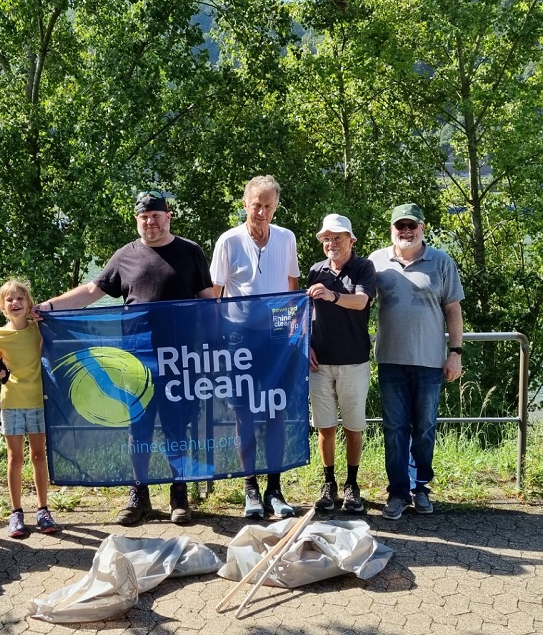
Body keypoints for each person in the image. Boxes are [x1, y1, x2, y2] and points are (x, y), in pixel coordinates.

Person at [34, 190, 215, 526]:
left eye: (156, 215)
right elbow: (91, 292)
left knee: (178, 427)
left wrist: (221, 340)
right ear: (137, 220)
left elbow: (209, 303)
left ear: (168, 216)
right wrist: (49, 307)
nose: (151, 222)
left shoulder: (191, 252)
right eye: (144, 217)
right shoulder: (125, 256)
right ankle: (139, 495)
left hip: (179, 360)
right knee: (138, 427)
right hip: (134, 363)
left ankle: (179, 495)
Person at [210, 175, 301, 518]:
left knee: (276, 411)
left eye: (268, 206)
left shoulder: (286, 238)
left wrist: (294, 334)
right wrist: (216, 340)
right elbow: (215, 294)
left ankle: (275, 490)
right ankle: (249, 488)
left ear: (275, 207)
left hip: (277, 337)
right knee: (243, 414)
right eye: (256, 205)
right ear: (245, 204)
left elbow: (293, 287)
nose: (261, 212)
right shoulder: (228, 241)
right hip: (239, 339)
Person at [369, 203, 465, 519]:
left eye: (412, 226)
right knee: (395, 429)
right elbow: (357, 301)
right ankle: (398, 493)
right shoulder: (377, 261)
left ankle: (420, 487)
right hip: (391, 361)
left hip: (430, 362)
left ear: (422, 228)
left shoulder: (440, 261)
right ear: (392, 230)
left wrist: (455, 353)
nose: (406, 231)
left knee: (424, 428)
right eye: (400, 226)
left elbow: (453, 310)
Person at [306, 214, 376, 514]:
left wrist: (333, 295)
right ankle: (329, 483)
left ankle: (352, 484)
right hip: (320, 363)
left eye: (338, 237)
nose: (331, 243)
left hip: (354, 361)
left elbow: (361, 302)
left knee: (353, 426)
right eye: (327, 238)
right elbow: (305, 313)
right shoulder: (315, 271)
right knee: (325, 427)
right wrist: (304, 345)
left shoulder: (363, 267)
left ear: (351, 240)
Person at [0, 278, 59, 538]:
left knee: (39, 456)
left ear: (29, 303)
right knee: (14, 458)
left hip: (39, 401)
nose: (15, 303)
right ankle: (16, 512)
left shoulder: (38, 331)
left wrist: (45, 321)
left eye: (20, 298)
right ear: (2, 306)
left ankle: (42, 509)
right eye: (9, 300)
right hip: (12, 403)